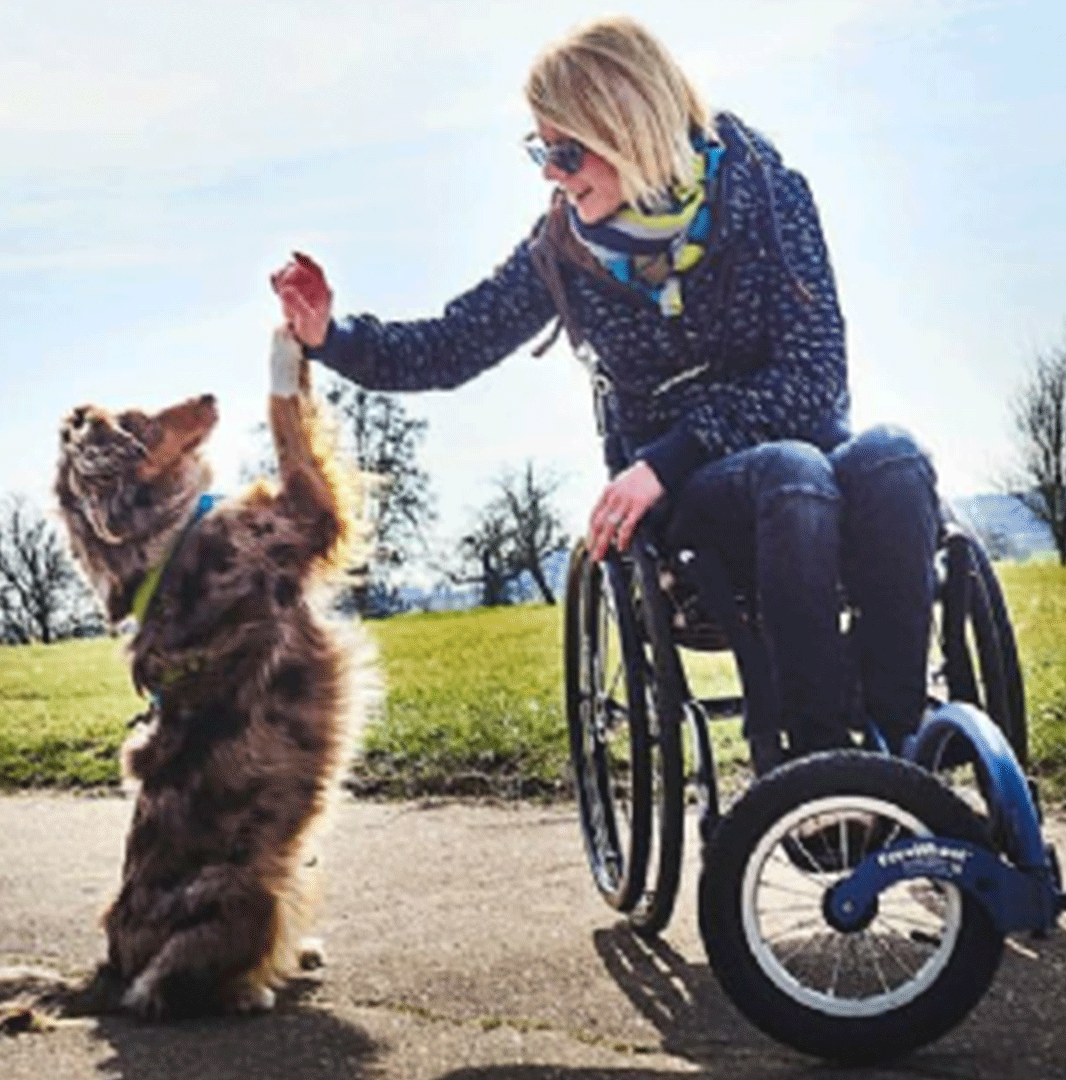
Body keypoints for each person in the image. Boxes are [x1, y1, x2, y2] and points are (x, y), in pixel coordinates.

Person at [270, 15, 942, 768]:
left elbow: (816, 373)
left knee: (894, 458)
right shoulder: (564, 248)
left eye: (565, 150)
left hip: (786, 455)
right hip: (692, 500)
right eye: (540, 152)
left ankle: (904, 742)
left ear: (626, 124)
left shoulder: (770, 196)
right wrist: (333, 335)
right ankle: (816, 764)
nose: (551, 172)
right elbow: (454, 344)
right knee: (792, 473)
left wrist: (676, 448)